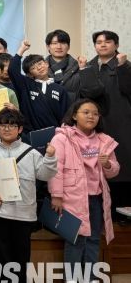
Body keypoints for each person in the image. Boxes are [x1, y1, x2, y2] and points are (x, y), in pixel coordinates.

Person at [0, 108, 57, 283]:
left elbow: (44, 175)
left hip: (25, 211)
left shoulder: (30, 152)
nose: (6, 129)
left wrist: (50, 157)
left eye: (12, 125)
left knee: (21, 249)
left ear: (20, 129)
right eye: (2, 125)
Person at [49, 99, 120, 283]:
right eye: (86, 112)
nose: (91, 116)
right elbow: (55, 169)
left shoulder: (104, 140)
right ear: (74, 115)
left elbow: (114, 170)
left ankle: (91, 279)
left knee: (94, 238)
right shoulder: (62, 138)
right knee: (75, 239)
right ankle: (71, 279)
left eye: (95, 113)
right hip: (72, 197)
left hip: (96, 197)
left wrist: (107, 165)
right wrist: (56, 195)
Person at [78, 30, 131, 209]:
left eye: (107, 41)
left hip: (121, 122)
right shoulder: (89, 66)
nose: (102, 44)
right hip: (95, 124)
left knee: (122, 163)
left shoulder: (124, 65)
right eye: (99, 42)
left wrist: (123, 67)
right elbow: (86, 93)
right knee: (96, 166)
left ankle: (122, 209)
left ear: (116, 45)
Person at [9, 40, 69, 136]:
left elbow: (66, 115)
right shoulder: (26, 85)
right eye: (33, 68)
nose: (39, 68)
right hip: (30, 135)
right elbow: (12, 70)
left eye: (40, 64)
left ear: (46, 63)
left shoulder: (60, 89)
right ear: (29, 74)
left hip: (55, 135)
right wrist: (22, 49)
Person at [46, 29, 80, 102]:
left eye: (63, 43)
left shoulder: (80, 66)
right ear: (48, 47)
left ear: (68, 46)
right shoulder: (39, 68)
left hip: (73, 108)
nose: (59, 47)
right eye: (55, 43)